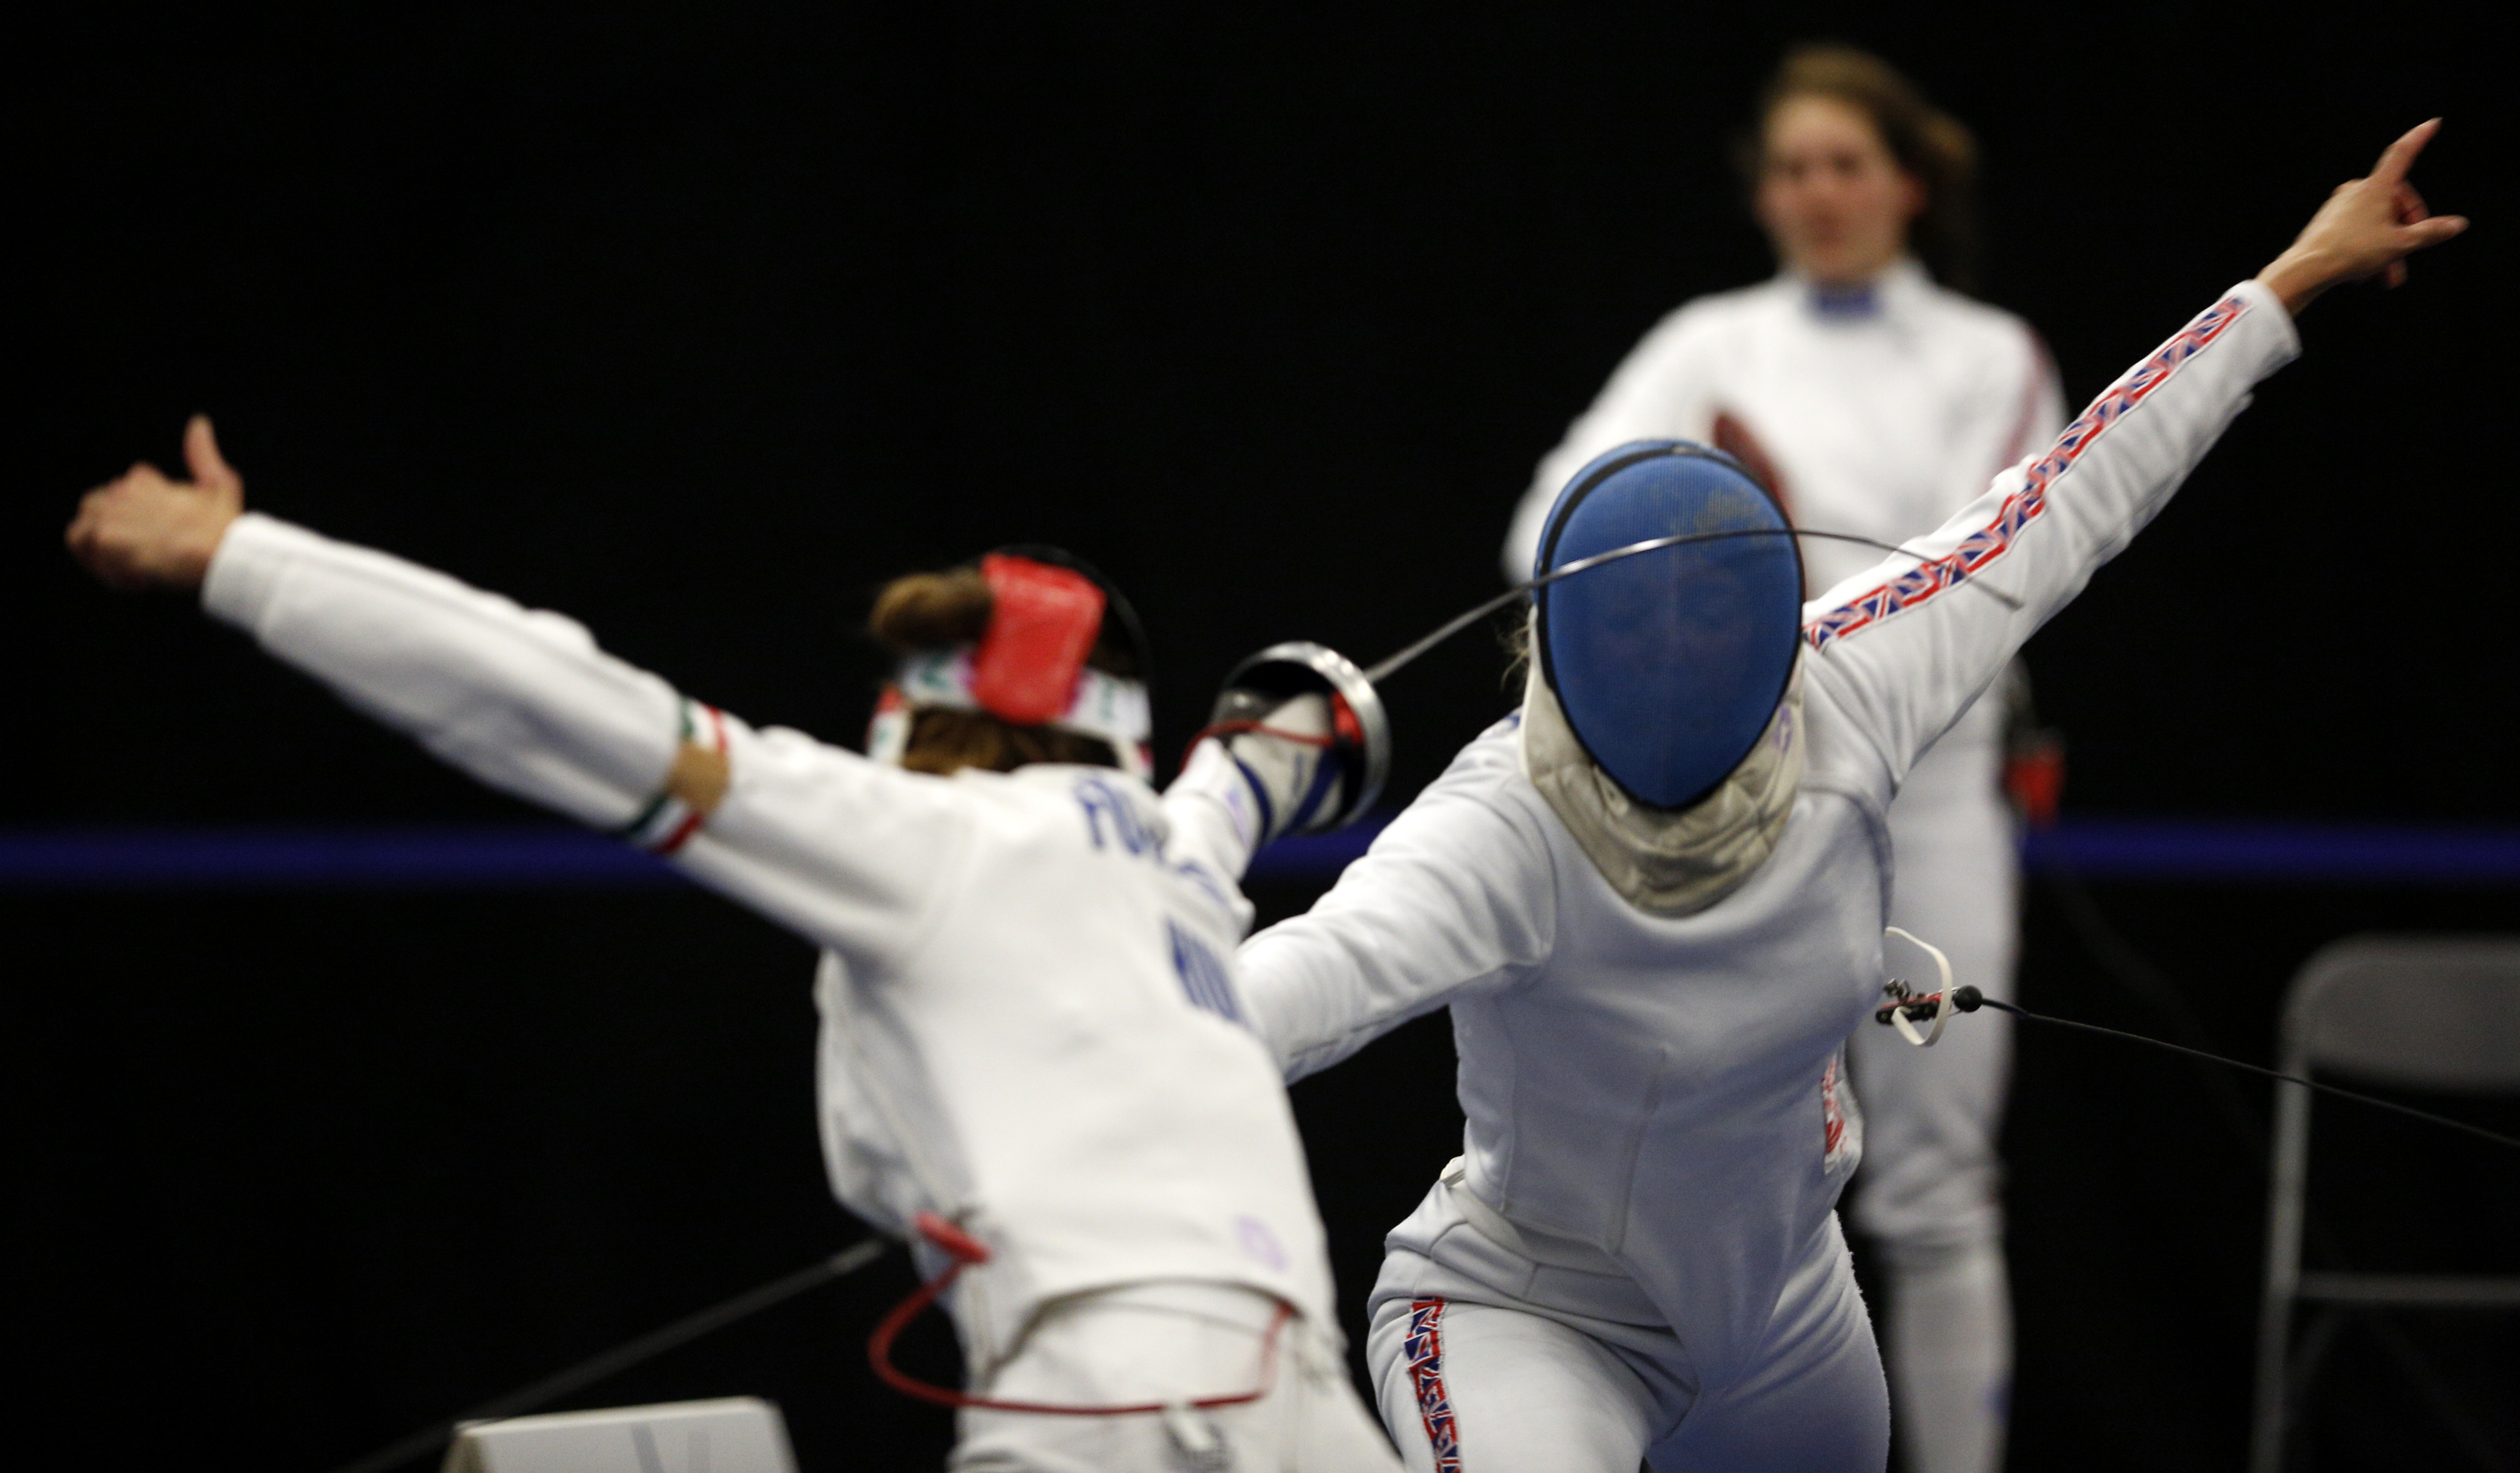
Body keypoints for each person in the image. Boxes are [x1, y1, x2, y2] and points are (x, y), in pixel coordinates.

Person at [1235, 123, 2462, 1473]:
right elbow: (1289, 988)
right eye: (1640, 631)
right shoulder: (1498, 826)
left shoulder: (1855, 671)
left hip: (1781, 1321)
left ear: (1769, 635)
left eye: (1711, 621)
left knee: (1939, 1203)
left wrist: (2291, 276)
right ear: (1568, 642)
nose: (1674, 662)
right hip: (1534, 1314)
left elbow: (2071, 494)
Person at [65, 448, 1404, 1472]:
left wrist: (239, 555)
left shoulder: (921, 837)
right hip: (1304, 1388)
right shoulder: (1169, 849)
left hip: (1111, 1389)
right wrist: (1291, 724)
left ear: (911, 729)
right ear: (1115, 742)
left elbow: (556, 699)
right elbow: (1253, 771)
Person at [1499, 47, 2061, 1473]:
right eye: (1792, 169)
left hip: (1929, 794)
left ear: (1907, 185)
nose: (1817, 193)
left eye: (1845, 166)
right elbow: (1542, 536)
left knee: (1934, 1193)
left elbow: (1998, 565)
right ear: (1763, 193)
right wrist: (1711, 551)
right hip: (1742, 810)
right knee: (1713, 1184)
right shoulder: (1710, 345)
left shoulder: (1986, 357)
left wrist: (1775, 553)